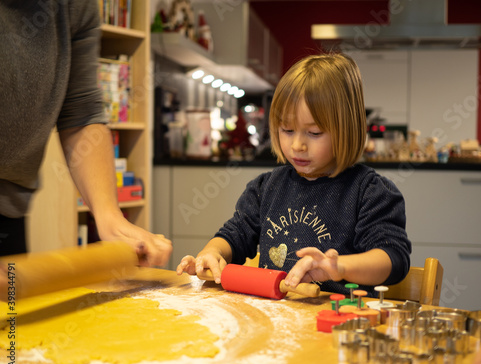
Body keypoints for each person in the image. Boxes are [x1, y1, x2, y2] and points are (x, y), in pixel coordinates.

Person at [177, 53, 411, 296]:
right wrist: (212, 252)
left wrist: (338, 267)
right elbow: (235, 235)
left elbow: (392, 259)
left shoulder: (369, 192)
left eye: (315, 132)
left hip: (339, 321)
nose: (297, 145)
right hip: (275, 320)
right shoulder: (266, 188)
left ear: (346, 129)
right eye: (287, 130)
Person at [0, 2, 172, 266]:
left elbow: (80, 113)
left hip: (9, 212)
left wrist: (110, 217)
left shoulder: (75, 5)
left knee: (9, 306)